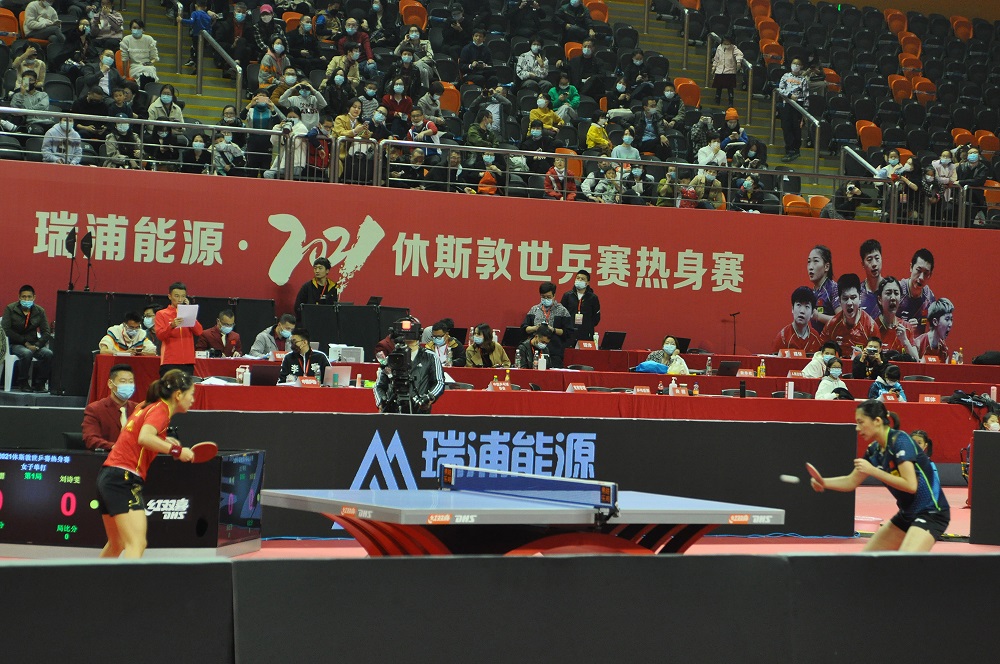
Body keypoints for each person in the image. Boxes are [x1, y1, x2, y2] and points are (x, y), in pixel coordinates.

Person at [808, 399, 949, 552]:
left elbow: (910, 485)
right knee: (867, 560)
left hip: (931, 512)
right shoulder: (874, 450)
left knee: (906, 561)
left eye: (861, 422)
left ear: (877, 421)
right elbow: (851, 481)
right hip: (907, 514)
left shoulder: (900, 441)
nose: (857, 428)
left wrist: (873, 471)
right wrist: (824, 482)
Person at [97, 370, 197, 559]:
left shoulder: (146, 405)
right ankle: (128, 580)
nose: (193, 400)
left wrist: (164, 439)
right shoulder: (161, 410)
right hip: (124, 478)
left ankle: (95, 579)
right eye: (191, 394)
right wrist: (176, 451)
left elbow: (136, 434)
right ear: (178, 395)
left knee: (117, 543)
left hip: (108, 476)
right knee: (137, 543)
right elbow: (144, 438)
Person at [374, 316, 444, 413]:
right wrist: (381, 401)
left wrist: (429, 398)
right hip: (393, 411)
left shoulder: (431, 357)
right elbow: (379, 386)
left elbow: (439, 382)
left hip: (419, 411)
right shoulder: (391, 358)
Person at [1, 285, 54, 392]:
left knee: (48, 354)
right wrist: (24, 342)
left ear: (34, 297)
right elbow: (5, 329)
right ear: (19, 297)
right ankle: (23, 382)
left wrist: (37, 345)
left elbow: (46, 332)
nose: (26, 299)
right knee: (26, 353)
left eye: (29, 297)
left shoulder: (39, 311)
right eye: (24, 297)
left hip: (34, 344)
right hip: (15, 344)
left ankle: (40, 384)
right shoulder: (10, 309)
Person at [82, 363, 139, 451]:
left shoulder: (138, 409)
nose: (128, 385)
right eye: (123, 381)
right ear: (110, 383)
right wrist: (114, 447)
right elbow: (90, 438)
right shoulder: (95, 409)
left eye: (131, 382)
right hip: (107, 456)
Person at [821, 273, 879, 357]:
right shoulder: (831, 325)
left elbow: (876, 359)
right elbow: (820, 354)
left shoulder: (871, 327)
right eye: (845, 298)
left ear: (860, 298)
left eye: (853, 297)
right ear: (839, 301)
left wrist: (862, 358)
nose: (849, 303)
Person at [153, 282, 203, 377]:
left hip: (188, 361)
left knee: (186, 386)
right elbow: (160, 336)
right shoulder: (162, 314)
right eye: (176, 296)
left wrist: (189, 313)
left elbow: (199, 331)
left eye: (183, 296)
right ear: (169, 296)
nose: (180, 299)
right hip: (169, 361)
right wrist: (171, 326)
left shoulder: (188, 313)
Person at [521, 282, 574, 369]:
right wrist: (535, 328)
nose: (546, 299)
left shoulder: (562, 311)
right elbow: (524, 328)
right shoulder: (534, 310)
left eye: (548, 297)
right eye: (543, 297)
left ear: (554, 295)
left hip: (554, 353)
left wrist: (553, 330)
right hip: (534, 352)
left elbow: (568, 332)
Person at [873, 276, 919, 360]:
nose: (893, 298)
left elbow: (916, 360)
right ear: (879, 299)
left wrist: (905, 341)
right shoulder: (872, 327)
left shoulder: (907, 328)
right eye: (888, 293)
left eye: (896, 293)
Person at [772, 286, 822, 355]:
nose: (802, 311)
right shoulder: (782, 337)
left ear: (812, 313)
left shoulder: (816, 338)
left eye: (807, 306)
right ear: (792, 309)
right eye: (799, 305)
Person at [776, 58, 809, 162]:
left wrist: (805, 112)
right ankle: (789, 149)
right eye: (794, 63)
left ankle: (796, 149)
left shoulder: (803, 80)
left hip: (798, 105)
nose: (795, 66)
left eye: (798, 64)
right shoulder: (785, 76)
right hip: (787, 104)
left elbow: (806, 96)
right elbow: (780, 89)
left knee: (796, 127)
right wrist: (789, 95)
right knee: (786, 127)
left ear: (801, 67)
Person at [898, 248, 935, 334]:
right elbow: (884, 320)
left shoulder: (929, 298)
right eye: (918, 270)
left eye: (926, 273)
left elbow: (934, 329)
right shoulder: (897, 291)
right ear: (911, 267)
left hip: (916, 342)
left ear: (930, 275)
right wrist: (904, 324)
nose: (921, 277)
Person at [560, 269, 601, 345]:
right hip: (569, 333)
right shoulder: (567, 296)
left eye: (582, 279)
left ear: (587, 283)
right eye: (578, 278)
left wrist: (587, 326)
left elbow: (596, 318)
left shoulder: (593, 298)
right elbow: (561, 314)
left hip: (586, 334)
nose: (579, 280)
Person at [807, 244, 839, 332]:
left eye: (815, 261)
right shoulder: (812, 293)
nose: (810, 267)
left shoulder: (833, 288)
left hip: (833, 340)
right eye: (809, 262)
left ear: (826, 267)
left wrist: (818, 316)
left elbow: (842, 321)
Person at [120, 19, 159, 87]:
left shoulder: (149, 39)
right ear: (131, 29)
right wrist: (125, 75)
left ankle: (147, 90)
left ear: (142, 29)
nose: (137, 30)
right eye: (134, 28)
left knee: (150, 71)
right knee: (142, 76)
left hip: (148, 66)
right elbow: (124, 59)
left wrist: (150, 63)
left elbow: (154, 57)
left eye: (139, 28)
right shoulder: (126, 40)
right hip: (134, 66)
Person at [914, 298, 954, 363]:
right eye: (947, 319)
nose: (950, 324)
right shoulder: (918, 344)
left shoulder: (944, 351)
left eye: (951, 319)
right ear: (935, 322)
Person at [632, 96, 671, 160]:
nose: (654, 108)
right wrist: (629, 126)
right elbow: (620, 119)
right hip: (642, 142)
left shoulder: (657, 116)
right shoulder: (638, 115)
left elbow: (660, 127)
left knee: (662, 146)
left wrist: (662, 135)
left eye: (655, 106)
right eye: (652, 106)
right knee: (660, 142)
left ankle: (663, 164)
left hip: (654, 142)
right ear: (645, 107)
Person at [711, 34, 743, 107]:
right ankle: (717, 99)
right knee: (718, 87)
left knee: (730, 88)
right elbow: (716, 59)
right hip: (720, 71)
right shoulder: (719, 47)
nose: (726, 43)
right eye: (725, 41)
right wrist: (714, 67)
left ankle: (730, 102)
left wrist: (738, 62)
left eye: (727, 41)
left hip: (730, 71)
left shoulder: (733, 48)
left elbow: (739, 54)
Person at [857, 239, 884, 319]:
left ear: (881, 259)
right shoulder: (858, 293)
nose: (874, 264)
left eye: (877, 258)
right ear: (863, 264)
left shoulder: (890, 290)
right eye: (869, 260)